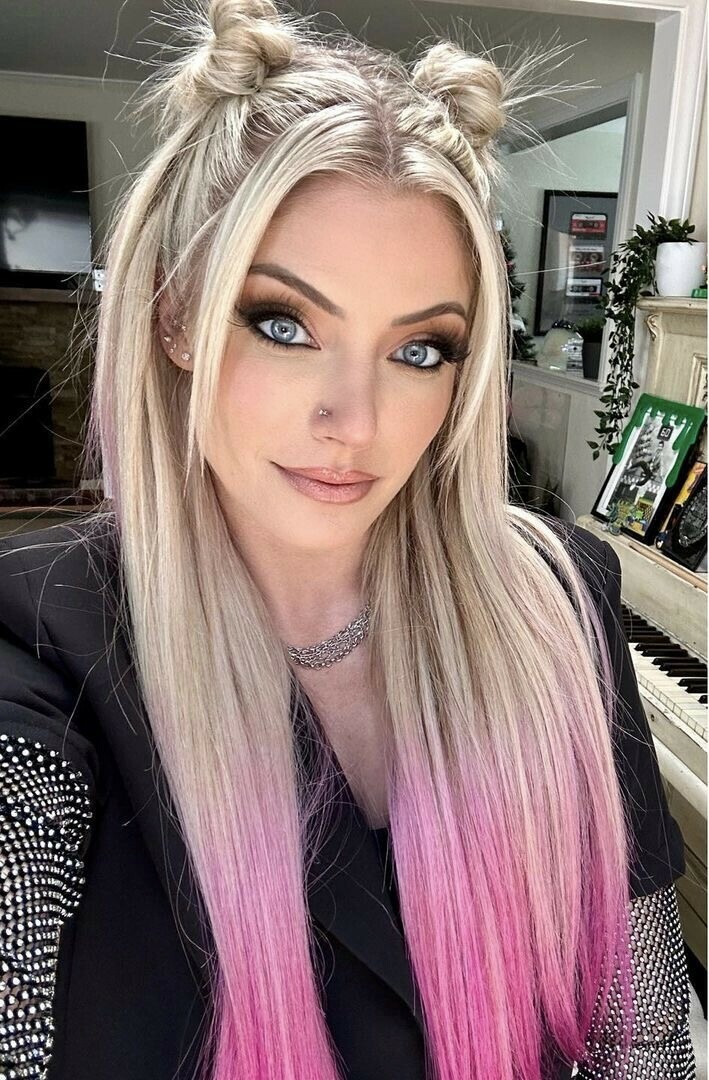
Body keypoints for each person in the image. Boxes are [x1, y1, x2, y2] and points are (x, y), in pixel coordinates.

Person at [0, 2, 695, 1078]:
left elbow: (639, 1038)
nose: (355, 422)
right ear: (177, 317)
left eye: (420, 350)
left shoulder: (552, 600)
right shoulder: (39, 653)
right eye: (284, 325)